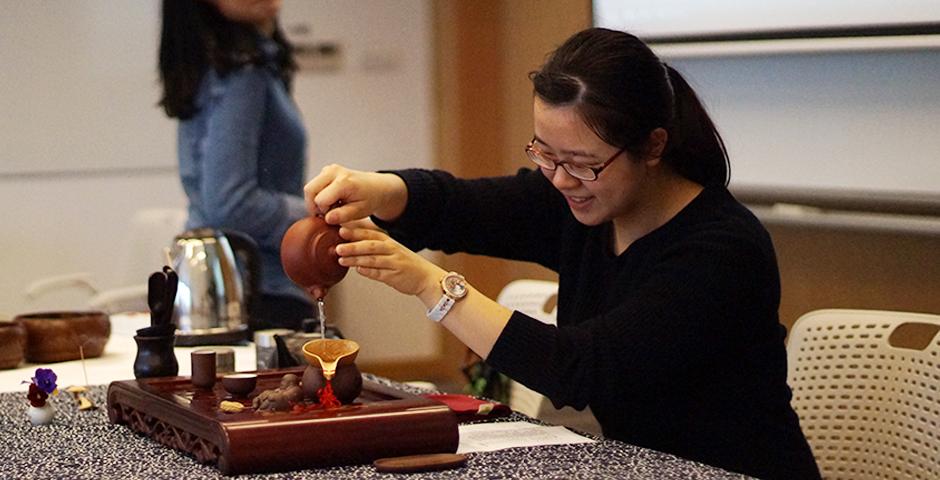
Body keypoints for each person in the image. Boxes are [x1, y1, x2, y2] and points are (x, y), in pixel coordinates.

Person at [303, 28, 820, 479]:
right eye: (544, 153)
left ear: (654, 146)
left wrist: (431, 285)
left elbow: (579, 368)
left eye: (582, 162)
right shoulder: (585, 205)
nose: (561, 178)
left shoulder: (721, 251)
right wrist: (377, 187)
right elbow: (461, 206)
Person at [158, 0, 313, 330]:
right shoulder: (241, 70)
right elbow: (231, 204)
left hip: (217, 287)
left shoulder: (224, 63)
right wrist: (313, 216)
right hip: (256, 292)